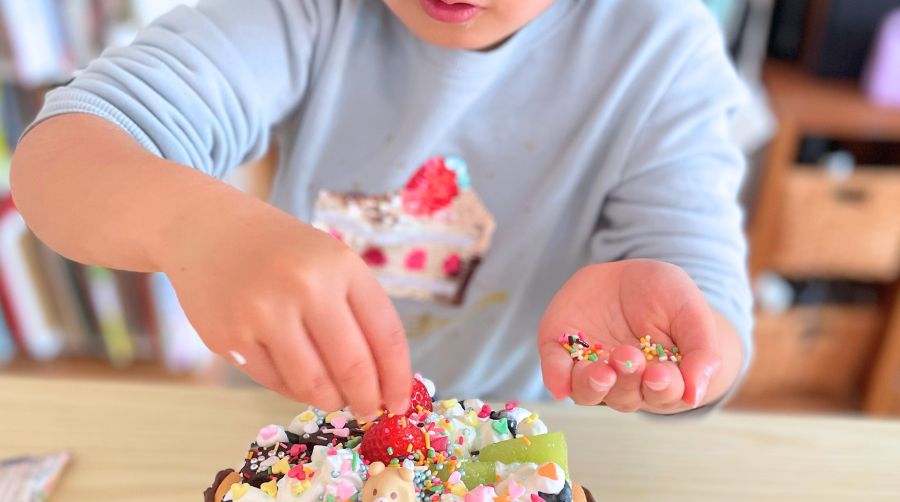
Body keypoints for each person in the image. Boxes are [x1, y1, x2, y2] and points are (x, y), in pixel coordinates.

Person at [11, 0, 752, 420]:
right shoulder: (308, 10)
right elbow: (61, 157)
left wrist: (666, 345)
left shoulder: (664, 51)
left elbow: (714, 322)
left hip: (504, 438)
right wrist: (192, 222)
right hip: (284, 417)